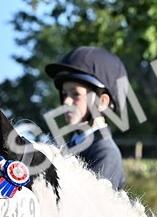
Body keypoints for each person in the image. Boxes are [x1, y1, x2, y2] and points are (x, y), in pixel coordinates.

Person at [44, 46, 128, 191]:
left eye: (75, 94)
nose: (66, 102)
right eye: (64, 94)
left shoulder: (105, 153)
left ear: (102, 102)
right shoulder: (69, 147)